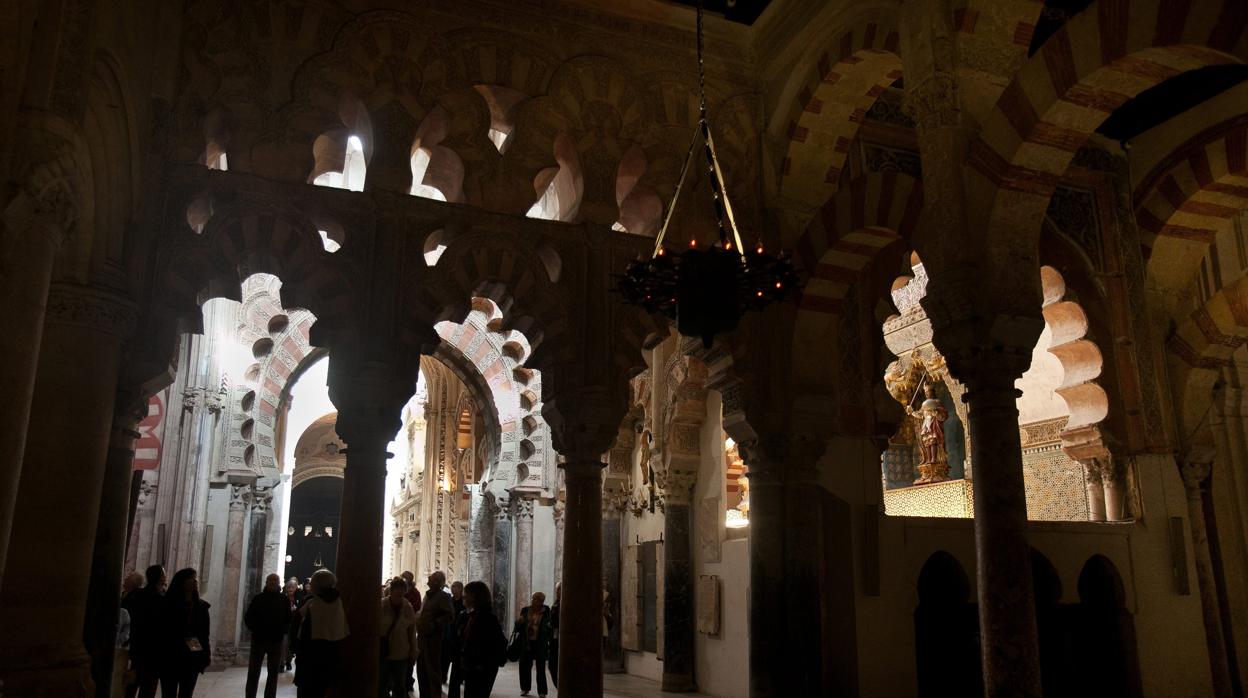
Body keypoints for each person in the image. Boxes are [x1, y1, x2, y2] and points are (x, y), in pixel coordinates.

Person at [294, 569, 349, 698]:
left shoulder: (312, 603)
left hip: (311, 656)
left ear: (316, 585)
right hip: (333, 654)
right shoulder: (339, 602)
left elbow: (302, 631)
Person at [159, 568, 211, 697]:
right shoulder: (167, 604)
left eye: (195, 578)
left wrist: (205, 655)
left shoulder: (201, 607)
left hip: (192, 653)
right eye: (191, 578)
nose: (195, 581)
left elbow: (204, 634)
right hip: (171, 653)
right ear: (182, 581)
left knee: (186, 693)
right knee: (168, 693)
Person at [244, 573, 292, 698]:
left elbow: (288, 618)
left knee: (273, 673)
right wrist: (256, 629)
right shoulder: (258, 598)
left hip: (276, 640)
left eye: (275, 580)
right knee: (253, 672)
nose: (273, 582)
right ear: (266, 582)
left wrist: (282, 631)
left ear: (279, 583)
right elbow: (248, 617)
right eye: (270, 580)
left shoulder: (284, 600)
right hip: (259, 639)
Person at [123, 565, 166, 698]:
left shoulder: (135, 595)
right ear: (160, 577)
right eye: (163, 574)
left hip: (135, 648)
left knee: (130, 688)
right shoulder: (162, 600)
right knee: (148, 689)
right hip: (153, 652)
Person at [458, 581, 506, 698]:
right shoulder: (472, 615)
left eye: (466, 594)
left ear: (474, 596)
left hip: (481, 669)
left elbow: (494, 644)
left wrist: (480, 665)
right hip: (472, 667)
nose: (463, 596)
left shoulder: (487, 618)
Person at [415, 570, 455, 698]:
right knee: (421, 668)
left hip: (433, 638)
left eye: (430, 578)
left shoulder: (443, 596)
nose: (428, 579)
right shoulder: (428, 595)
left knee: (432, 669)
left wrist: (435, 623)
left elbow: (450, 615)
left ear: (437, 582)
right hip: (422, 636)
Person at [379, 577, 419, 698]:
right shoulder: (381, 605)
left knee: (399, 685)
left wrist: (413, 652)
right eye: (397, 590)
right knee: (381, 684)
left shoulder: (408, 608)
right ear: (391, 590)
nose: (399, 593)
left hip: (401, 652)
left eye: (402, 590)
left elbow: (412, 632)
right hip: (384, 652)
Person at [513, 592, 553, 698]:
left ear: (541, 602)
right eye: (533, 599)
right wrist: (519, 622)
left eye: (536, 599)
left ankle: (542, 692)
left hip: (540, 643)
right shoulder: (525, 610)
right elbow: (517, 628)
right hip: (527, 642)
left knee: (540, 668)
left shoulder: (546, 612)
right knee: (524, 666)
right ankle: (525, 688)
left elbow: (549, 627)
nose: (533, 601)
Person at [399, 570, 424, 690]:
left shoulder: (415, 593)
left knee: (408, 653)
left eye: (406, 578)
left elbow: (416, 609)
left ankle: (408, 681)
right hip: (399, 627)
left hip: (408, 626)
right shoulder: (404, 592)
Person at [441, 581, 465, 683]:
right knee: (445, 656)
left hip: (459, 632)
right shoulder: (449, 601)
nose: (453, 588)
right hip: (449, 631)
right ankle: (443, 676)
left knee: (458, 657)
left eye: (455, 587)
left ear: (460, 589)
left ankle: (460, 677)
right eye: (452, 586)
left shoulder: (464, 602)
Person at [283, 580, 302, 671]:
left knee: (291, 644)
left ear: (296, 588)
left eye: (292, 587)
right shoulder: (283, 598)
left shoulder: (299, 598)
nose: (290, 589)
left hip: (294, 625)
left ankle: (288, 661)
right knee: (284, 644)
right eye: (289, 587)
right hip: (285, 625)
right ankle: (281, 663)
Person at [547, 583, 560, 687]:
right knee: (552, 664)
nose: (557, 592)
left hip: (562, 637)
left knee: (554, 663)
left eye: (559, 590)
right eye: (557, 590)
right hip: (554, 637)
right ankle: (559, 686)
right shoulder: (556, 603)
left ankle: (560, 686)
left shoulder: (566, 604)